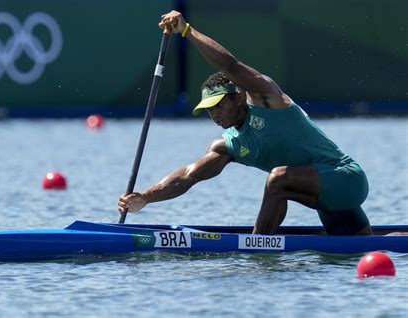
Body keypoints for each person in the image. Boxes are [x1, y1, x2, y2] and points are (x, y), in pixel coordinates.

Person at [118, 10, 372, 235]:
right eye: (208, 109)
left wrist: (186, 31)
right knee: (365, 245)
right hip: (323, 194)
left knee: (278, 178)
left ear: (239, 97)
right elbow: (187, 176)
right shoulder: (228, 145)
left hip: (345, 179)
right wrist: (144, 198)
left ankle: (259, 244)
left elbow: (231, 65)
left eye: (219, 105)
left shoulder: (267, 99)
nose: (214, 114)